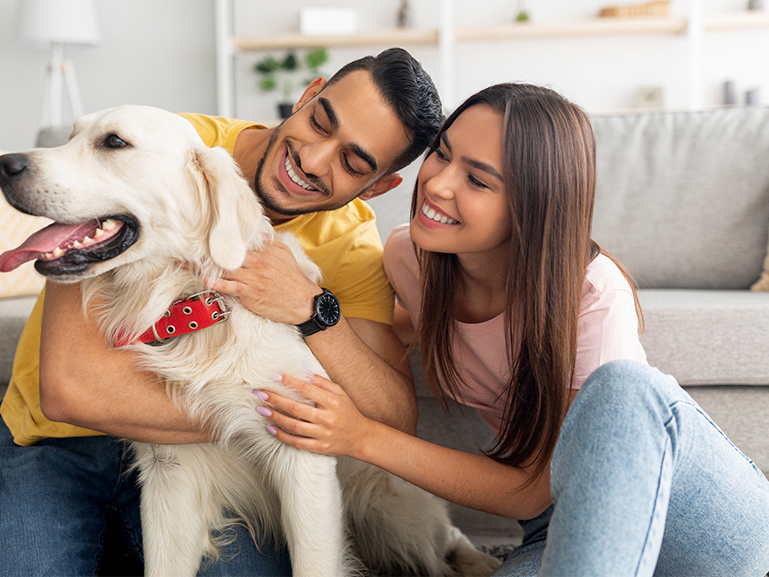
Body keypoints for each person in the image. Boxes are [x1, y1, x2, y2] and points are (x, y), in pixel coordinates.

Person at [0, 47, 444, 576]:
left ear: (378, 187)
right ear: (307, 94)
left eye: (353, 162)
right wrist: (279, 417)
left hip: (215, 457)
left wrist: (311, 308)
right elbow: (71, 391)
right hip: (60, 439)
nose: (314, 159)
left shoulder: (349, 243)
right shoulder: (162, 142)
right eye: (321, 121)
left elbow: (391, 418)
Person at [254, 83, 769, 575]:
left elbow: (531, 487)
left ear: (532, 205)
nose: (437, 183)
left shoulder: (593, 295)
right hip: (558, 528)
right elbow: (372, 340)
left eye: (477, 180)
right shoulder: (411, 258)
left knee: (623, 388)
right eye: (441, 152)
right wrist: (296, 303)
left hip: (696, 526)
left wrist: (360, 436)